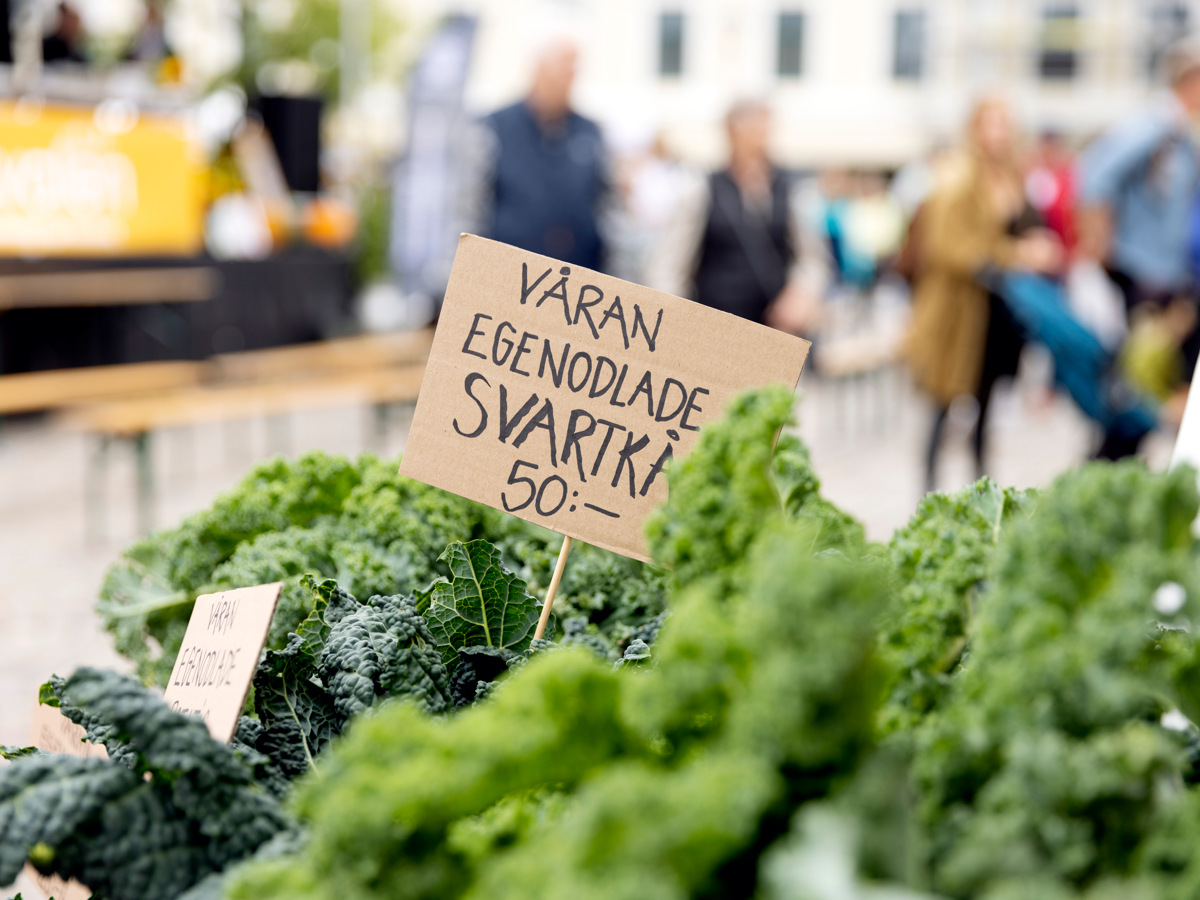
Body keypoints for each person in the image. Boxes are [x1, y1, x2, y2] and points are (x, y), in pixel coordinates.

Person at [905, 95, 1062, 492]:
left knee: (988, 407)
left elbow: (1019, 228)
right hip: (959, 312)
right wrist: (1017, 255)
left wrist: (1038, 246)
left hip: (998, 311)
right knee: (943, 404)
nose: (1000, 133)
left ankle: (982, 493)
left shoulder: (1013, 176)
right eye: (992, 124)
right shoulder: (958, 176)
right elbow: (947, 245)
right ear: (974, 128)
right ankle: (927, 497)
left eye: (1005, 124)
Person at [1077, 37, 1200, 456]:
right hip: (1141, 277)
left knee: (1152, 388)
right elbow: (1094, 176)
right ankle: (1101, 476)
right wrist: (1106, 250)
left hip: (1167, 280)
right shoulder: (1154, 125)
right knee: (1140, 390)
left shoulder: (1182, 134)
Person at [647, 99, 827, 331]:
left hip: (776, 329)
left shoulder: (792, 190)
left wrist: (801, 294)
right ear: (731, 134)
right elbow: (669, 264)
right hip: (713, 327)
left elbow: (813, 258)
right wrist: (673, 318)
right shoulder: (701, 189)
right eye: (753, 132)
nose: (760, 141)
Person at [471, 34, 610, 271]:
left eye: (574, 67)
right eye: (563, 65)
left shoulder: (590, 132)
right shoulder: (495, 127)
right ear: (539, 69)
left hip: (578, 281)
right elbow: (472, 203)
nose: (569, 74)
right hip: (509, 277)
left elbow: (606, 204)